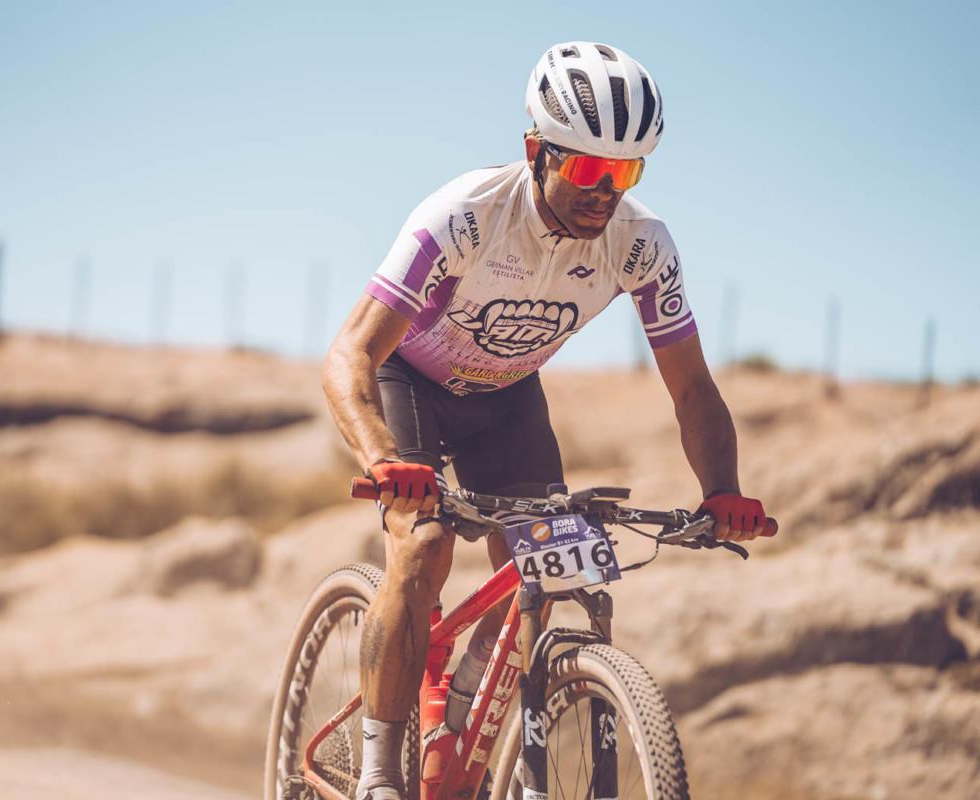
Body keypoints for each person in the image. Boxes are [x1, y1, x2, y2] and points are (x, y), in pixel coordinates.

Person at [322, 41, 774, 800]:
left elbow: (693, 388)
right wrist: (380, 457)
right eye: (591, 169)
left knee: (549, 562)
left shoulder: (643, 245)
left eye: (626, 173)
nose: (606, 192)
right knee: (424, 545)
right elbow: (351, 353)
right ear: (538, 151)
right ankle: (376, 775)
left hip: (506, 397)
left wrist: (722, 489)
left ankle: (459, 715)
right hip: (412, 380)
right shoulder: (464, 218)